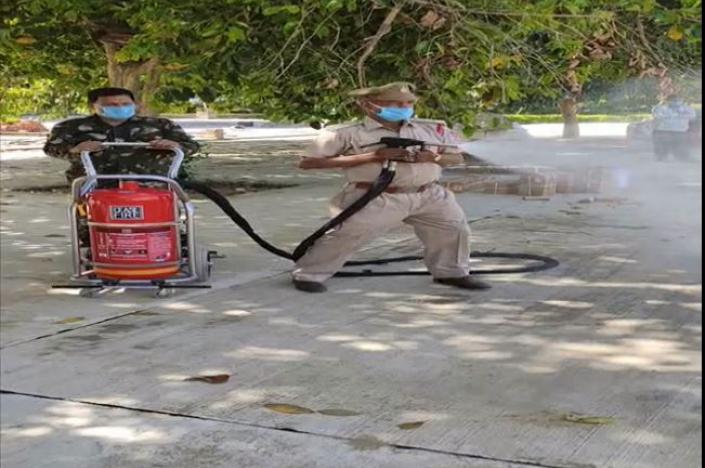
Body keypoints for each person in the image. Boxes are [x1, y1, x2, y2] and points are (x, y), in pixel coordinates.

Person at [292, 82, 491, 293]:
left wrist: (435, 157)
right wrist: (372, 156)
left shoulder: (432, 129)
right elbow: (308, 162)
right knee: (349, 233)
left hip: (429, 194)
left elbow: (457, 157)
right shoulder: (346, 133)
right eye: (394, 103)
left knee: (453, 229)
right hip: (376, 196)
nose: (404, 107)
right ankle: (308, 275)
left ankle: (452, 273)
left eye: (408, 103)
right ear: (368, 105)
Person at [44, 87, 200, 182]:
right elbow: (51, 148)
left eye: (125, 104)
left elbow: (192, 146)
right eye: (111, 105)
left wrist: (176, 146)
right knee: (95, 230)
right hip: (94, 186)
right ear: (93, 106)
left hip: (152, 186)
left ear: (134, 104)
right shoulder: (71, 127)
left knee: (160, 229)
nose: (120, 107)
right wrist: (75, 150)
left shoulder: (160, 125)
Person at [651, 94, 697, 161]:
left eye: (677, 100)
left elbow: (692, 116)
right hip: (663, 131)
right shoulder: (659, 108)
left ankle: (683, 158)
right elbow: (658, 116)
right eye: (673, 100)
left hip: (680, 131)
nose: (676, 102)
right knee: (662, 149)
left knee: (681, 150)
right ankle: (661, 157)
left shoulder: (686, 108)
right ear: (667, 101)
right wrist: (679, 116)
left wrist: (673, 116)